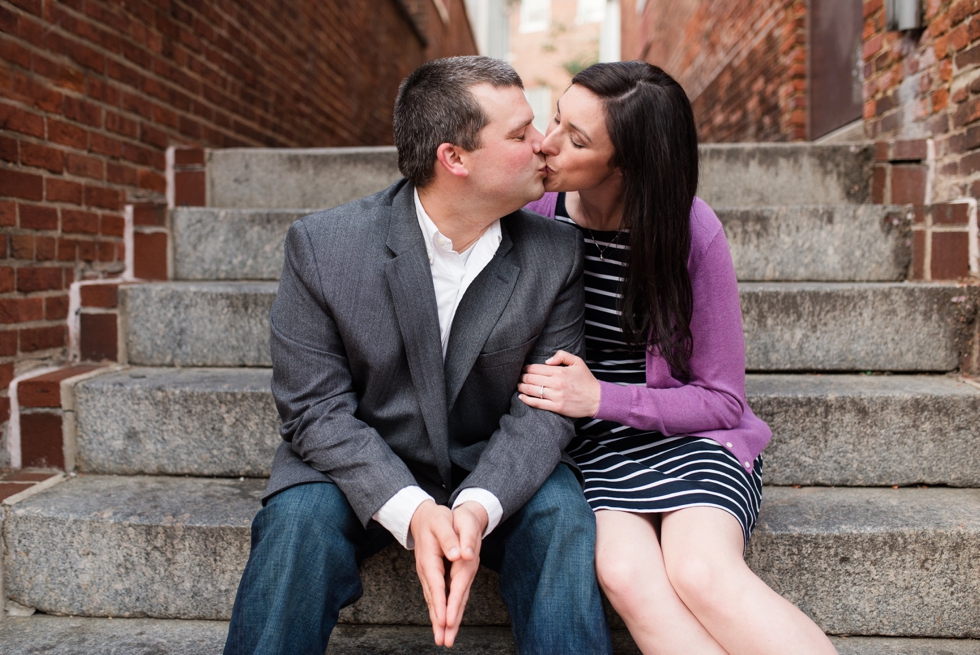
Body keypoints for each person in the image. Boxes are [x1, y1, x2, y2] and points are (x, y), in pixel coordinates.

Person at [223, 56, 613, 655]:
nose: (545, 145)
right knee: (295, 526)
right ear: (454, 158)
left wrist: (479, 507)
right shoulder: (323, 247)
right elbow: (313, 410)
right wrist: (409, 510)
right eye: (520, 133)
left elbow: (547, 408)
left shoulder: (556, 251)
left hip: (496, 465)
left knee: (564, 519)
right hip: (359, 464)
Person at [519, 61, 838, 655]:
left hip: (689, 439)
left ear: (630, 164)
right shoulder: (536, 220)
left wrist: (602, 398)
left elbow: (722, 400)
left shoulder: (691, 231)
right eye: (555, 117)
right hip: (594, 450)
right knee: (626, 575)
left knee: (701, 572)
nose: (548, 142)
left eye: (577, 139)